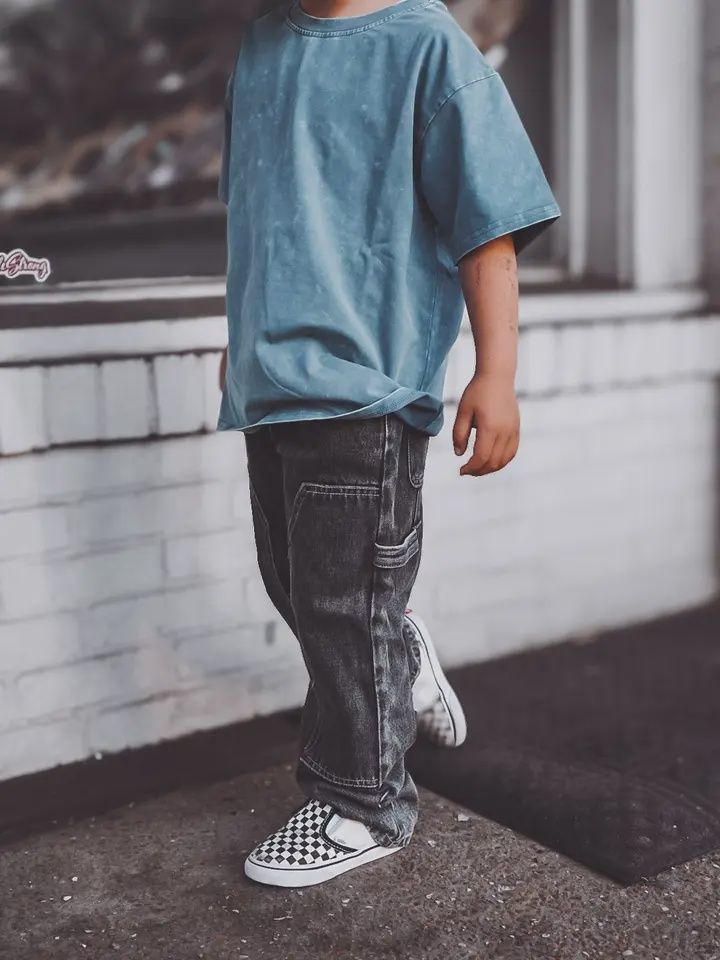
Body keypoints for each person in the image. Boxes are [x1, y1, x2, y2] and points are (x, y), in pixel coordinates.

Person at [217, 0, 560, 888]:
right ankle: (393, 655)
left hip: (364, 390)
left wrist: (496, 372)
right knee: (301, 589)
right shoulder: (262, 46)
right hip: (269, 386)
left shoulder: (426, 47)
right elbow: (257, 212)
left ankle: (364, 802)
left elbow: (487, 224)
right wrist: (239, 340)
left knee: (341, 604)